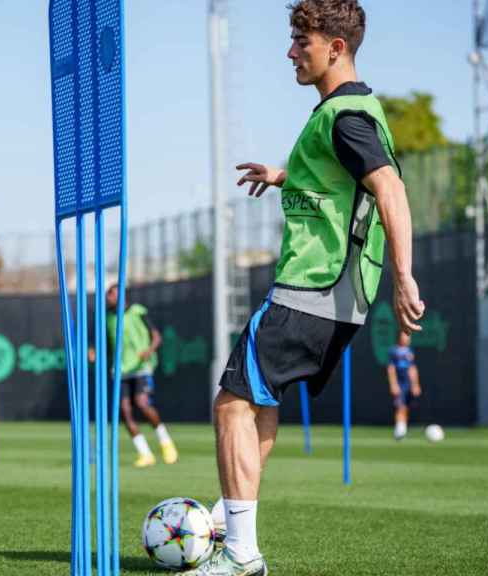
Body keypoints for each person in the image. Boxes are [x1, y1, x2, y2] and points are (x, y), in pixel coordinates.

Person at [187, 1, 424, 574]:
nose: (292, 52)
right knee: (259, 400)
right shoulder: (350, 113)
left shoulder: (346, 116)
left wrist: (405, 274)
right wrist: (283, 175)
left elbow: (390, 191)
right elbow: (344, 180)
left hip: (312, 286)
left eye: (302, 41)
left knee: (232, 403)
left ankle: (240, 552)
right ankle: (228, 519)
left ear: (335, 49)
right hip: (339, 298)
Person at [98, 283, 179, 468]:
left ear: (121, 296)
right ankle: (145, 453)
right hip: (121, 370)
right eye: (108, 295)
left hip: (141, 367)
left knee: (142, 404)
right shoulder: (108, 317)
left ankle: (166, 443)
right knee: (125, 411)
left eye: (111, 295)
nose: (108, 299)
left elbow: (156, 336)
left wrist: (149, 350)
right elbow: (106, 343)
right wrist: (95, 351)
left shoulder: (137, 312)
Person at [388, 331, 421, 440]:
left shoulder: (410, 351)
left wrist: (415, 385)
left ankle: (403, 429)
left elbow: (412, 369)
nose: (407, 339)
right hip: (399, 382)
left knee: (405, 406)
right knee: (400, 406)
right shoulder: (394, 351)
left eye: (408, 337)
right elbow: (391, 369)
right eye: (405, 336)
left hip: (408, 383)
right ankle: (399, 430)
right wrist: (393, 384)